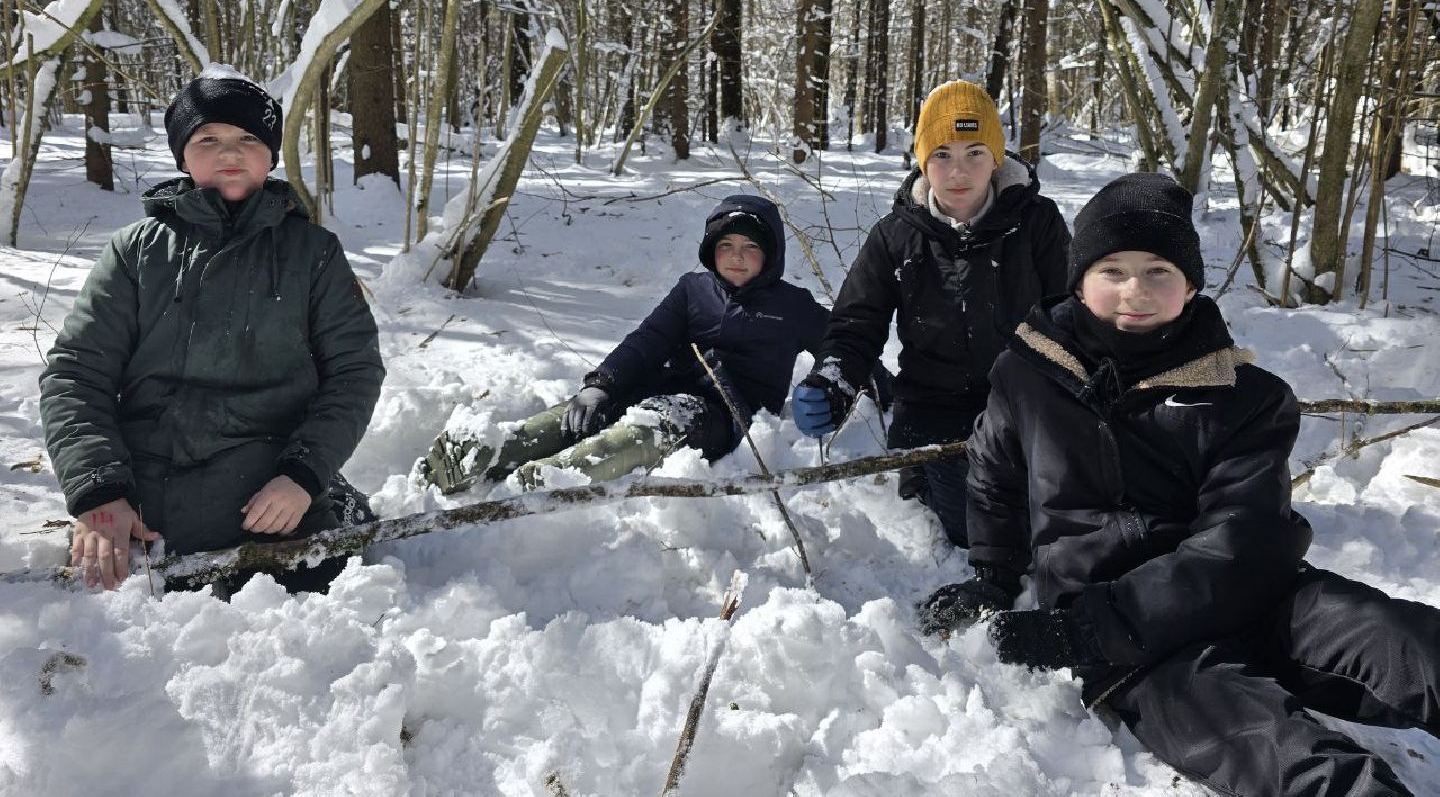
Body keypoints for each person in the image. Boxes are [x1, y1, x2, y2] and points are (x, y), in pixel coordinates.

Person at [919, 173, 1440, 797]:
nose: (1133, 290)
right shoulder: (1025, 375)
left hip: (1252, 600)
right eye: (1112, 269)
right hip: (1136, 651)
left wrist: (1090, 628)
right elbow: (995, 480)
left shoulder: (1247, 397)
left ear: (1190, 285)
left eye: (1158, 271)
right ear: (1079, 280)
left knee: (1402, 641)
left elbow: (1244, 539)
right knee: (1282, 753)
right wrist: (992, 577)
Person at [40, 68, 385, 594]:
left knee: (328, 582)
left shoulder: (313, 254)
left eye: (249, 138)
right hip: (145, 499)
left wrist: (304, 477)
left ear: (271, 156)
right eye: (208, 139)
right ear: (182, 156)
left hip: (271, 495)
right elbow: (75, 375)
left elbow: (353, 373)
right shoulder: (135, 250)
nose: (231, 151)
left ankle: (334, 500)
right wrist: (97, 491)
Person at [422, 194, 881, 492]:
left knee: (647, 428)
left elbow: (842, 348)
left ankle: (555, 478)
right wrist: (601, 384)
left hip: (720, 411)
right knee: (587, 413)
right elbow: (647, 340)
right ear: (711, 251)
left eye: (750, 248)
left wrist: (870, 386)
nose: (736, 257)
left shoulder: (791, 305)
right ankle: (490, 451)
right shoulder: (692, 290)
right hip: (656, 385)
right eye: (727, 247)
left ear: (771, 254)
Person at [790, 80, 1069, 546]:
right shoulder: (896, 236)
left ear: (997, 158)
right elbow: (856, 324)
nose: (958, 171)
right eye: (942, 154)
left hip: (1024, 405)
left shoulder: (1037, 223)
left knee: (1054, 512)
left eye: (974, 153)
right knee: (974, 525)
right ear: (923, 160)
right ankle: (931, 484)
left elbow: (1070, 316)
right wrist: (832, 381)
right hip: (932, 411)